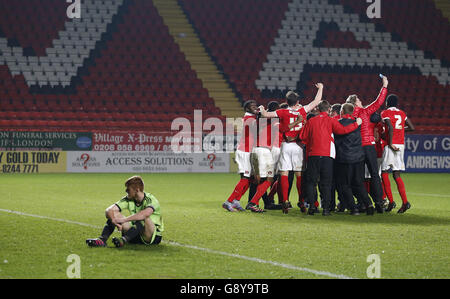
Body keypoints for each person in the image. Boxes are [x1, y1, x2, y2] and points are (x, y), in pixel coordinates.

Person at [259, 83, 324, 213]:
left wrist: (261, 109)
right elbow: (317, 101)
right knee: (299, 175)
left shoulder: (282, 111)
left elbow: (265, 115)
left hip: (285, 145)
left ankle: (285, 200)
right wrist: (321, 88)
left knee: (284, 173)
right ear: (298, 101)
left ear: (286, 102)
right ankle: (301, 201)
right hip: (298, 146)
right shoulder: (302, 110)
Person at [300, 100, 363, 215]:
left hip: (313, 155)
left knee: (311, 182)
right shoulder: (331, 120)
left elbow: (303, 137)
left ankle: (312, 208)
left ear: (318, 109)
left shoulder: (311, 121)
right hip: (327, 156)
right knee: (327, 183)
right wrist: (356, 124)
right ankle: (326, 209)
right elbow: (343, 130)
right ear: (329, 110)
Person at [346, 75, 389, 213]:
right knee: (375, 175)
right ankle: (379, 203)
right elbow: (379, 102)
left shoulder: (349, 115)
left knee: (358, 178)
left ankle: (364, 203)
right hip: (369, 146)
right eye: (358, 99)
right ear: (355, 102)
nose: (361, 100)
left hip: (356, 148)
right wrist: (385, 85)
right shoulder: (365, 112)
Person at [86, 176, 164, 247]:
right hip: (135, 234)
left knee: (144, 217)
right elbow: (109, 210)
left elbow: (144, 214)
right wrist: (114, 220)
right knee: (113, 214)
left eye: (128, 189)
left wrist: (123, 220)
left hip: (151, 237)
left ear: (137, 190)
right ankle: (102, 240)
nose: (126, 190)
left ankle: (123, 240)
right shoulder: (128, 199)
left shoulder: (151, 200)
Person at [334, 103, 375, 215]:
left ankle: (353, 208)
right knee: (359, 183)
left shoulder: (338, 124)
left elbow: (336, 141)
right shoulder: (359, 123)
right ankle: (369, 205)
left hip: (345, 158)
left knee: (345, 184)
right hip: (359, 157)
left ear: (342, 111)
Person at [380, 94, 415, 213]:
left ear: (387, 103)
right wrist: (400, 129)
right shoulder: (402, 113)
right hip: (401, 145)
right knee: (397, 174)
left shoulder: (385, 113)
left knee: (384, 172)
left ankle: (391, 201)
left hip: (391, 144)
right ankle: (405, 202)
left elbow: (389, 126)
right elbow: (412, 127)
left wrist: (390, 143)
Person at [223, 100, 258, 212]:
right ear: (247, 108)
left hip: (247, 150)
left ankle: (236, 201)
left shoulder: (250, 118)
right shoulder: (250, 119)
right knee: (245, 178)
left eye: (255, 105)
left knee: (250, 179)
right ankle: (229, 201)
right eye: (252, 106)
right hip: (245, 151)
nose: (255, 107)